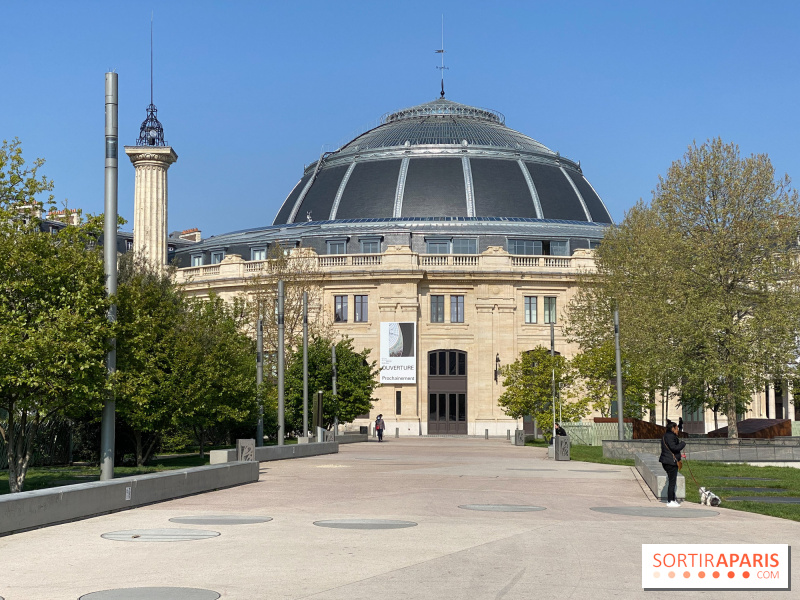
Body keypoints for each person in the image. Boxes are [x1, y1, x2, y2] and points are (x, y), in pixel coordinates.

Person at [659, 421, 686, 507]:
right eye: (677, 428)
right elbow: (674, 448)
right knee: (672, 482)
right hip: (670, 462)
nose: (678, 430)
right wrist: (682, 444)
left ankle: (673, 500)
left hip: (668, 461)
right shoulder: (670, 436)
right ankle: (670, 501)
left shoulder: (666, 436)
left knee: (672, 481)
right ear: (673, 428)